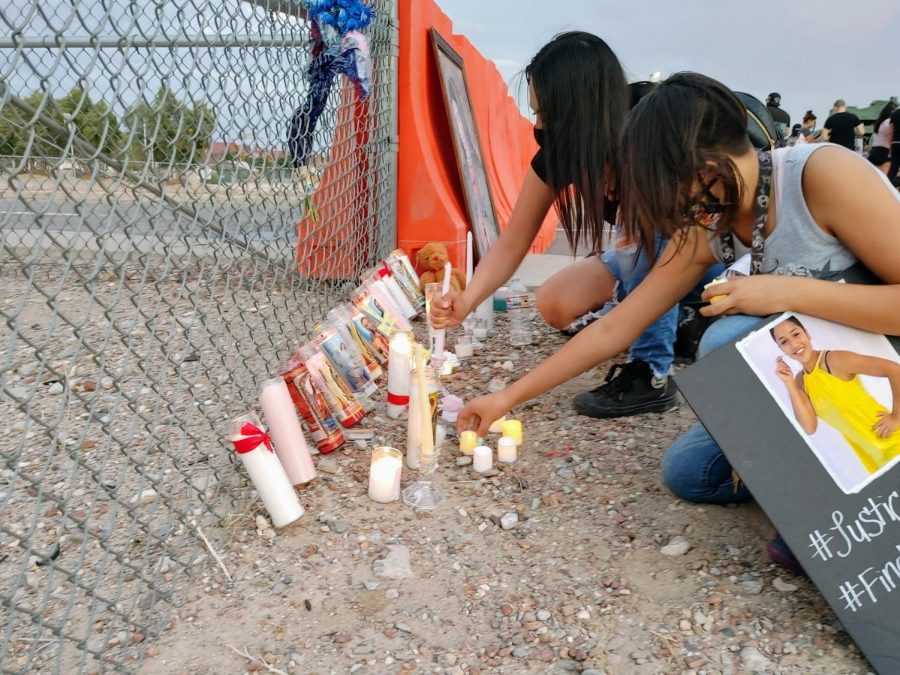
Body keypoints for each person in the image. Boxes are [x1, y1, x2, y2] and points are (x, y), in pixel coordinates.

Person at [457, 72, 900, 569]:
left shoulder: (822, 175)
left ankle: (835, 505)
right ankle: (808, 480)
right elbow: (616, 327)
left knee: (725, 340)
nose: (659, 203)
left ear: (702, 166)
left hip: (879, 371)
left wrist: (783, 291)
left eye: (660, 183)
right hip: (816, 385)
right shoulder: (711, 221)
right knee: (690, 473)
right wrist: (507, 397)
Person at [433, 32, 718, 419]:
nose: (539, 125)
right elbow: (512, 242)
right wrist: (468, 300)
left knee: (643, 241)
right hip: (639, 256)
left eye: (544, 112)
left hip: (701, 257)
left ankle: (651, 373)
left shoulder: (650, 124)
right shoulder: (562, 150)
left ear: (578, 109)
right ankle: (678, 317)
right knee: (555, 303)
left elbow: (682, 233)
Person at [771, 315, 900, 473]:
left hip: (894, 443)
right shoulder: (800, 382)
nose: (794, 344)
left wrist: (896, 417)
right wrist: (789, 384)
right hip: (872, 459)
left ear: (807, 333)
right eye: (784, 341)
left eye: (796, 334)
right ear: (780, 349)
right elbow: (809, 427)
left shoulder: (834, 360)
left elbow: (894, 370)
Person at [867, 101, 895, 174]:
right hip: (885, 152)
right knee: (886, 178)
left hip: (874, 151)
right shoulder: (889, 122)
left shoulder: (879, 122)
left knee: (877, 177)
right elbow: (891, 135)